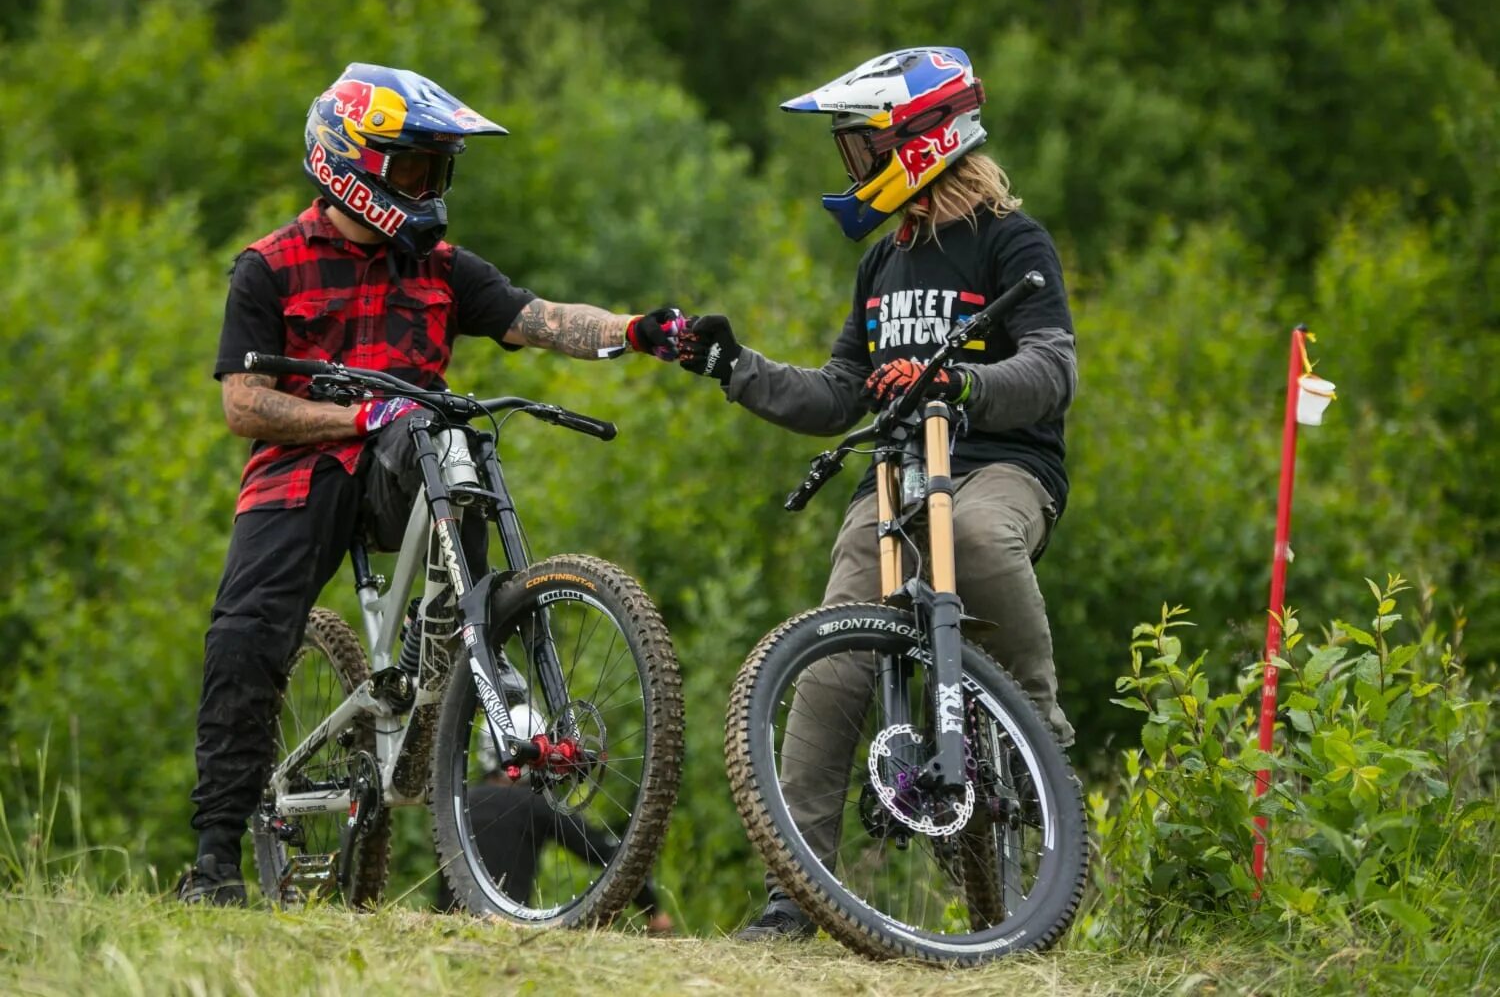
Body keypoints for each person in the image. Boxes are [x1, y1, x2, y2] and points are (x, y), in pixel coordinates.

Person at [177, 63, 683, 906]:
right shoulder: (267, 267)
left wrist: (641, 331)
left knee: (451, 432)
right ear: (351, 160)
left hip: (407, 467)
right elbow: (244, 405)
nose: (427, 187)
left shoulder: (442, 266)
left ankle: (454, 639)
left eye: (435, 170)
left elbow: (542, 319)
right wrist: (355, 418)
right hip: (298, 480)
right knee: (247, 640)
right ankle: (215, 860)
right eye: (412, 168)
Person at [673, 47, 1078, 939]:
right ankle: (796, 894)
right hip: (897, 471)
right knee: (829, 662)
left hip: (997, 463)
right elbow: (836, 394)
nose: (852, 165)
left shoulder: (1012, 239)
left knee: (972, 536)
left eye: (862, 147)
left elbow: (1053, 368)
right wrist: (732, 368)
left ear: (923, 141)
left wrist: (963, 385)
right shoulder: (881, 265)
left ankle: (1041, 728)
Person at [433, 710, 674, 933]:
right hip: (507, 928)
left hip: (451, 926)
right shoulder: (534, 805)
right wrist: (653, 911)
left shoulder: (457, 805)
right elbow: (606, 853)